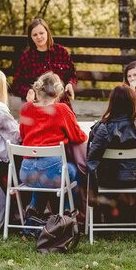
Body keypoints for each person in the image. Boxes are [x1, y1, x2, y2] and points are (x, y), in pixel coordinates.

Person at [86, 85, 136, 216]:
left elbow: (91, 160)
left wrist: (93, 189)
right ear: (134, 102)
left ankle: (98, 216)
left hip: (107, 180)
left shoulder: (102, 128)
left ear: (112, 104)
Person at [18, 71, 87, 212]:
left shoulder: (26, 108)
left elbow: (22, 135)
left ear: (38, 90)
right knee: (75, 171)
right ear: (57, 92)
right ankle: (68, 214)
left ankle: (33, 211)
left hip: (26, 173)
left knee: (41, 171)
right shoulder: (62, 110)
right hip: (52, 173)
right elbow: (78, 137)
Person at [12, 18, 77, 103]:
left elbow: (72, 75)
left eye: (41, 33)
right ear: (31, 37)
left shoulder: (61, 52)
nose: (39, 37)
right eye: (35, 35)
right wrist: (30, 92)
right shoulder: (27, 57)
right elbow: (17, 84)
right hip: (37, 104)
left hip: (61, 103)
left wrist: (70, 84)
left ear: (47, 33)